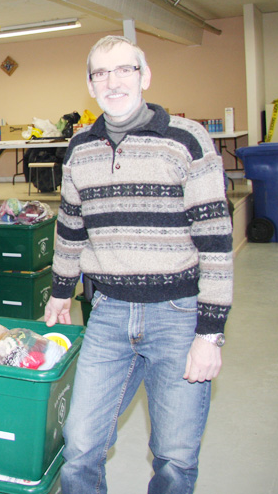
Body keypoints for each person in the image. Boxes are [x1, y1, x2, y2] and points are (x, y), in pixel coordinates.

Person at [44, 35, 232, 493]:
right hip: (107, 313)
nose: (113, 81)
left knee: (175, 455)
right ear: (90, 86)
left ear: (145, 76)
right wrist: (61, 292)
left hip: (180, 315)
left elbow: (216, 240)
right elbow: (71, 228)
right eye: (101, 73)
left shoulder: (186, 139)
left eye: (125, 69)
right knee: (80, 444)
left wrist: (210, 334)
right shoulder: (79, 150)